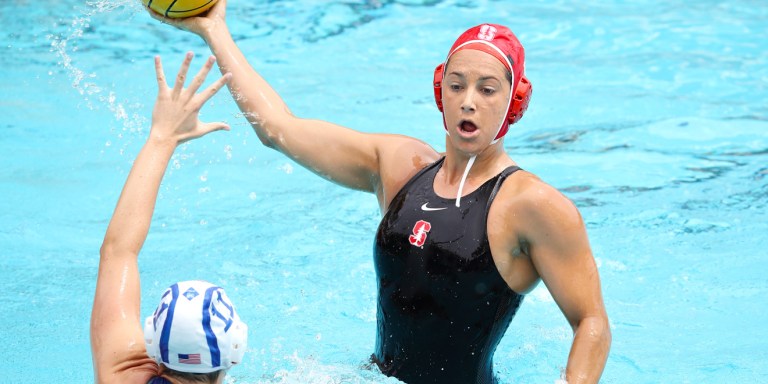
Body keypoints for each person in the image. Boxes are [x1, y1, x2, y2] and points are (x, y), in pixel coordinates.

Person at [148, 2, 611, 383]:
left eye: (488, 89)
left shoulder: (532, 206)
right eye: (457, 85)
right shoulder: (400, 167)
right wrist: (214, 31)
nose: (469, 100)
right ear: (440, 91)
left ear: (515, 102)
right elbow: (279, 129)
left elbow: (590, 321)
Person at [90, 53, 248, 384]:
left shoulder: (120, 376)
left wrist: (163, 136)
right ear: (236, 350)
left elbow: (118, 251)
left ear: (151, 342)